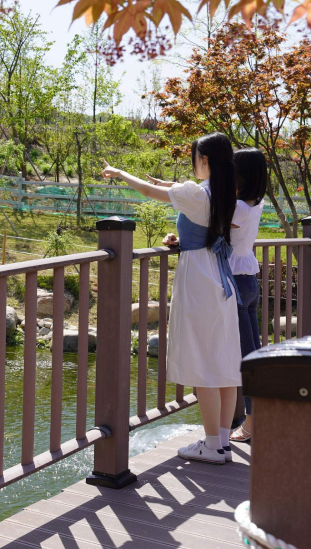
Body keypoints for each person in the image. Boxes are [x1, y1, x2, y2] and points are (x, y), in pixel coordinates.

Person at [102, 132, 241, 465]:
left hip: (200, 279)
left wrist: (120, 173)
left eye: (195, 157)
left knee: (204, 362)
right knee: (222, 361)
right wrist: (183, 240)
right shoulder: (223, 193)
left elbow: (151, 193)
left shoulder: (196, 194)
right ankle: (221, 441)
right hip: (220, 276)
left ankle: (210, 446)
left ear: (204, 160)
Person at [228, 148, 268, 443]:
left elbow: (210, 233)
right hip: (248, 281)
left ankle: (253, 425)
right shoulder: (256, 203)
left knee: (246, 360)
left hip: (236, 283)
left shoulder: (239, 207)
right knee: (252, 356)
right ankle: (255, 419)